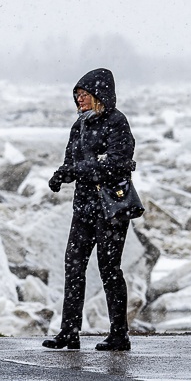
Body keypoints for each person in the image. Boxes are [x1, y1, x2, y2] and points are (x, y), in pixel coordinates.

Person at [43, 67, 136, 352]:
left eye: (84, 95)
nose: (79, 100)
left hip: (111, 209)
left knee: (109, 270)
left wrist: (82, 168)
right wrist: (62, 175)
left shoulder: (117, 122)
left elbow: (119, 162)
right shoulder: (79, 125)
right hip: (84, 208)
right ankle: (69, 332)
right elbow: (73, 162)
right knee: (73, 267)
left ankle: (119, 334)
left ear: (99, 96)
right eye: (77, 96)